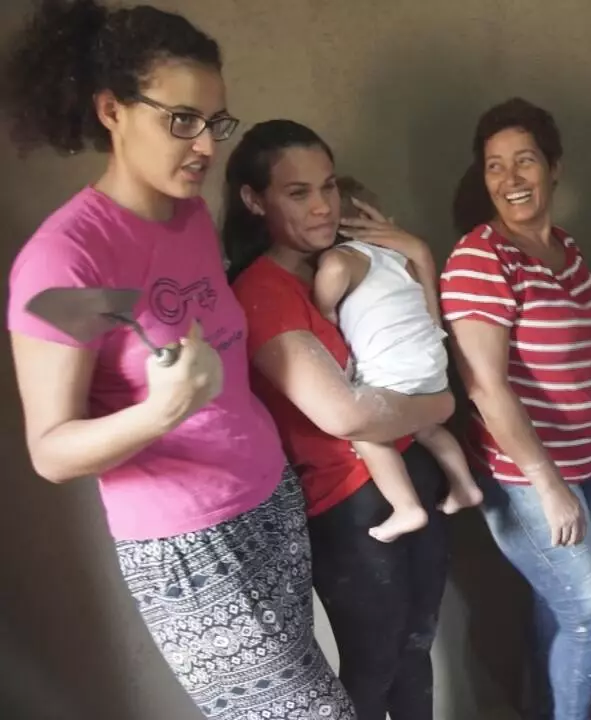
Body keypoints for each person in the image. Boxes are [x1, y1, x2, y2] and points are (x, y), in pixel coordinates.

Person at [1, 2, 354, 718]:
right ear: (113, 110)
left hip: (270, 499)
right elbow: (52, 450)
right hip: (190, 546)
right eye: (181, 120)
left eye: (214, 123)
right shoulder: (68, 260)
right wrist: (160, 411)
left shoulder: (188, 214)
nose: (204, 146)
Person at [224, 120, 455, 720]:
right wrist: (442, 406)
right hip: (349, 504)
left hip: (410, 472)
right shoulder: (262, 290)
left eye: (328, 186)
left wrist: (420, 256)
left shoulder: (349, 264)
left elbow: (427, 345)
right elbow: (346, 415)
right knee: (374, 670)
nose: (323, 205)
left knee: (417, 650)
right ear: (255, 200)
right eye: (298, 192)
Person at [439, 98, 591, 720]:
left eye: (525, 161)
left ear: (554, 167)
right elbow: (486, 387)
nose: (510, 178)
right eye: (495, 165)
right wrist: (548, 484)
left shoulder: (564, 247)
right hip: (528, 478)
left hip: (585, 464)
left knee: (558, 609)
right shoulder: (481, 260)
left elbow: (584, 336)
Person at [310, 176, 482, 543]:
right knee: (428, 429)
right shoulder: (402, 259)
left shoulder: (343, 257)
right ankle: (465, 485)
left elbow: (333, 274)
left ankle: (406, 507)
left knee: (369, 436)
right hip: (431, 360)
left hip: (392, 370)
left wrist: (324, 309)